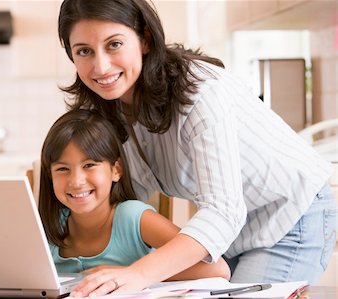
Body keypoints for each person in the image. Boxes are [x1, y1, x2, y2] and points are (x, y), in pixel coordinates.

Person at [56, 0, 337, 296]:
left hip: (290, 216)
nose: (100, 66)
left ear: (145, 40)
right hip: (232, 232)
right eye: (84, 51)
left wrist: (139, 273)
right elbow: (122, 198)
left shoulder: (200, 92)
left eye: (114, 44)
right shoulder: (106, 109)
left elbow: (222, 212)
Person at [38, 109, 230, 283]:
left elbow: (217, 269)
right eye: (62, 169)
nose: (76, 181)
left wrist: (129, 272)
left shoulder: (132, 218)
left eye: (89, 165)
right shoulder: (45, 228)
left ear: (116, 169)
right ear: (50, 175)